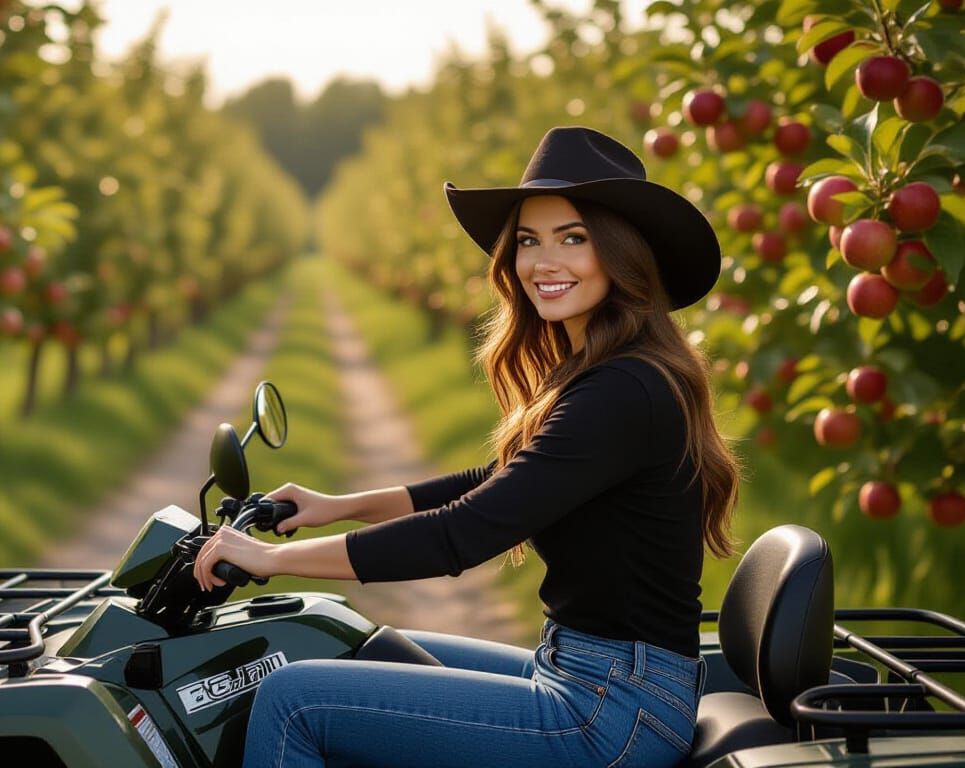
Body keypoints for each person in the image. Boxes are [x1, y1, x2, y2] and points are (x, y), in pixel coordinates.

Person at [192, 125, 742, 768]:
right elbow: (503, 482)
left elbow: (467, 532)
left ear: (623, 255)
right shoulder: (614, 371)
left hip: (614, 708)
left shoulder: (624, 388)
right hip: (592, 674)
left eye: (574, 239)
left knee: (294, 698)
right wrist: (335, 504)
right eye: (529, 242)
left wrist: (270, 559)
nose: (544, 262)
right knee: (346, 642)